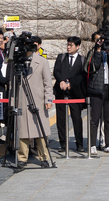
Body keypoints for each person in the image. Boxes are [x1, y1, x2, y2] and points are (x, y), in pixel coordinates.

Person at [8, 39, 54, 168]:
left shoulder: (43, 61)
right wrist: (12, 101)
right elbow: (12, 83)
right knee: (22, 131)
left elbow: (48, 83)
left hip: (38, 100)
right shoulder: (16, 62)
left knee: (40, 130)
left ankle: (44, 157)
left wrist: (48, 99)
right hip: (21, 99)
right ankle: (22, 157)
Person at [85, 32, 109, 153]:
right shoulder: (94, 52)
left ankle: (108, 144)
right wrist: (98, 50)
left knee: (108, 119)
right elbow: (94, 65)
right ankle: (92, 145)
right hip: (97, 89)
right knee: (94, 119)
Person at [51, 36, 87, 154]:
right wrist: (61, 80)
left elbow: (83, 75)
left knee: (77, 118)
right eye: (68, 44)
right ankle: (63, 143)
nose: (68, 47)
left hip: (75, 93)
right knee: (61, 118)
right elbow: (56, 71)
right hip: (60, 92)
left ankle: (79, 143)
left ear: (77, 47)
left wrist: (72, 84)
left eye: (71, 45)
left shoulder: (82, 60)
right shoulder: (61, 57)